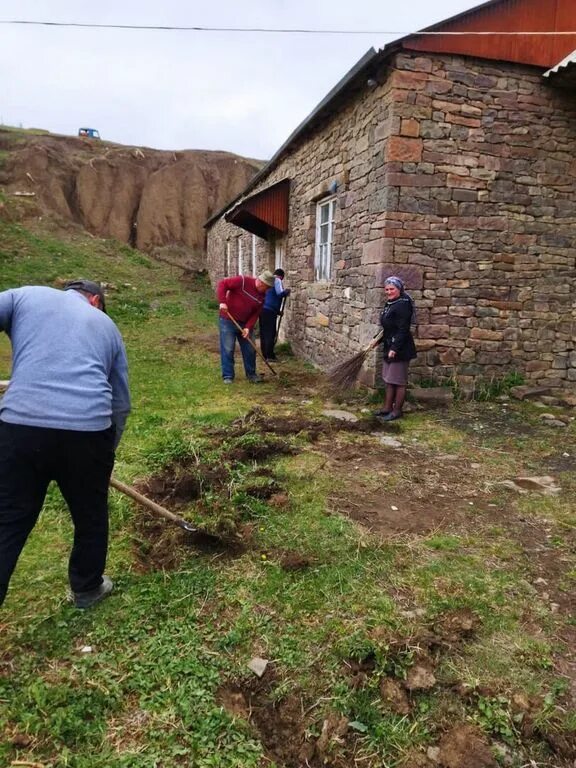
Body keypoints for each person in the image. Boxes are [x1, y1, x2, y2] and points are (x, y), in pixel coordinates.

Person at [0, 279, 131, 609]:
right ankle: (87, 588)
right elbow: (120, 403)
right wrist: (104, 453)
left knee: (9, 519)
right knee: (90, 515)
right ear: (96, 301)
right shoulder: (107, 325)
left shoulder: (23, 297)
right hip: (88, 430)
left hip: (20, 427)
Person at [216, 271, 275, 384]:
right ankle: (228, 376)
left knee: (249, 349)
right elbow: (223, 284)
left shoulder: (262, 297)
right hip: (228, 320)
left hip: (245, 324)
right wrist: (222, 302)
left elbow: (255, 314)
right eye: (267, 288)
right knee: (228, 348)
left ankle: (251, 374)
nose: (267, 291)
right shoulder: (242, 281)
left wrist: (248, 327)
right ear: (261, 283)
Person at [375, 276, 416, 422]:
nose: (389, 292)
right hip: (389, 345)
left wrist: (394, 348)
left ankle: (397, 410)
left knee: (398, 381)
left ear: (399, 289)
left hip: (400, 348)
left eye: (392, 289)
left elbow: (403, 329)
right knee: (389, 379)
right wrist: (377, 340)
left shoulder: (403, 305)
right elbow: (388, 327)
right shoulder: (391, 303)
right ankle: (387, 408)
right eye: (386, 289)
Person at [259, 268, 291, 362]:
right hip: (269, 311)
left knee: (264, 333)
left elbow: (270, 298)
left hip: (263, 310)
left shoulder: (268, 282)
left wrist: (277, 311)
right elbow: (279, 294)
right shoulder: (277, 280)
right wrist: (286, 292)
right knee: (270, 333)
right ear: (282, 276)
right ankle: (270, 356)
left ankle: (264, 354)